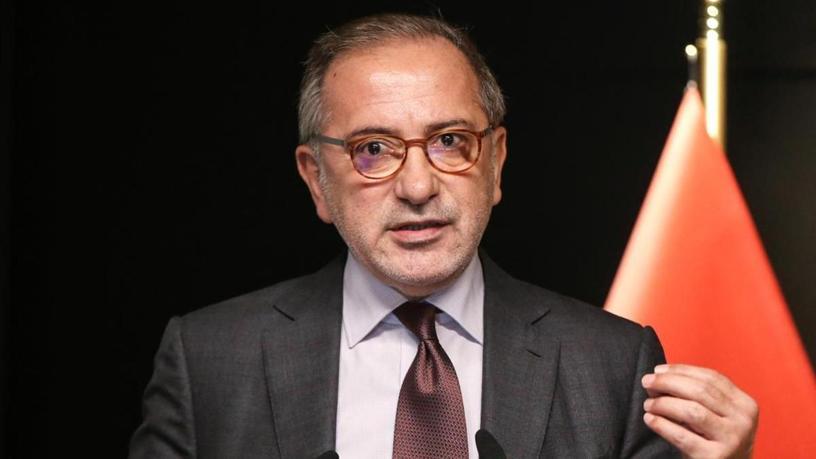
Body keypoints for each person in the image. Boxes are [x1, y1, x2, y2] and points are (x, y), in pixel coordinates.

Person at [129, 13, 758, 459]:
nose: (418, 186)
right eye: (373, 149)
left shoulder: (614, 366)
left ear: (496, 163)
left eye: (450, 141)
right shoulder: (208, 361)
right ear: (316, 179)